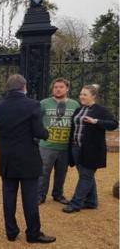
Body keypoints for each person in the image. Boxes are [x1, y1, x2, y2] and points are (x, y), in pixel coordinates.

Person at [0, 74, 55, 244]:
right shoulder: (33, 105)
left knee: (8, 196)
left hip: (7, 158)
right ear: (24, 87)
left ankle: (11, 232)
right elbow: (38, 132)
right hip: (28, 158)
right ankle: (33, 234)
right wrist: (45, 133)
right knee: (29, 197)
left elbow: (3, 130)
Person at [62, 84, 118, 213]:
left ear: (93, 96)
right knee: (86, 175)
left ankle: (76, 203)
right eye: (81, 94)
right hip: (76, 148)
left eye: (85, 94)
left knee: (86, 177)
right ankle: (91, 202)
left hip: (91, 150)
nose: (81, 96)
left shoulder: (101, 110)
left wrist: (96, 121)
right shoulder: (78, 110)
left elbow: (114, 124)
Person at [37, 78, 80, 205]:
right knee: (44, 172)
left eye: (61, 87)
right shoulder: (44, 103)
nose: (58, 89)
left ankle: (58, 194)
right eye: (56, 87)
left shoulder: (75, 105)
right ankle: (40, 195)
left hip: (65, 146)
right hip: (47, 145)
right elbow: (36, 120)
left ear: (67, 89)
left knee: (61, 172)